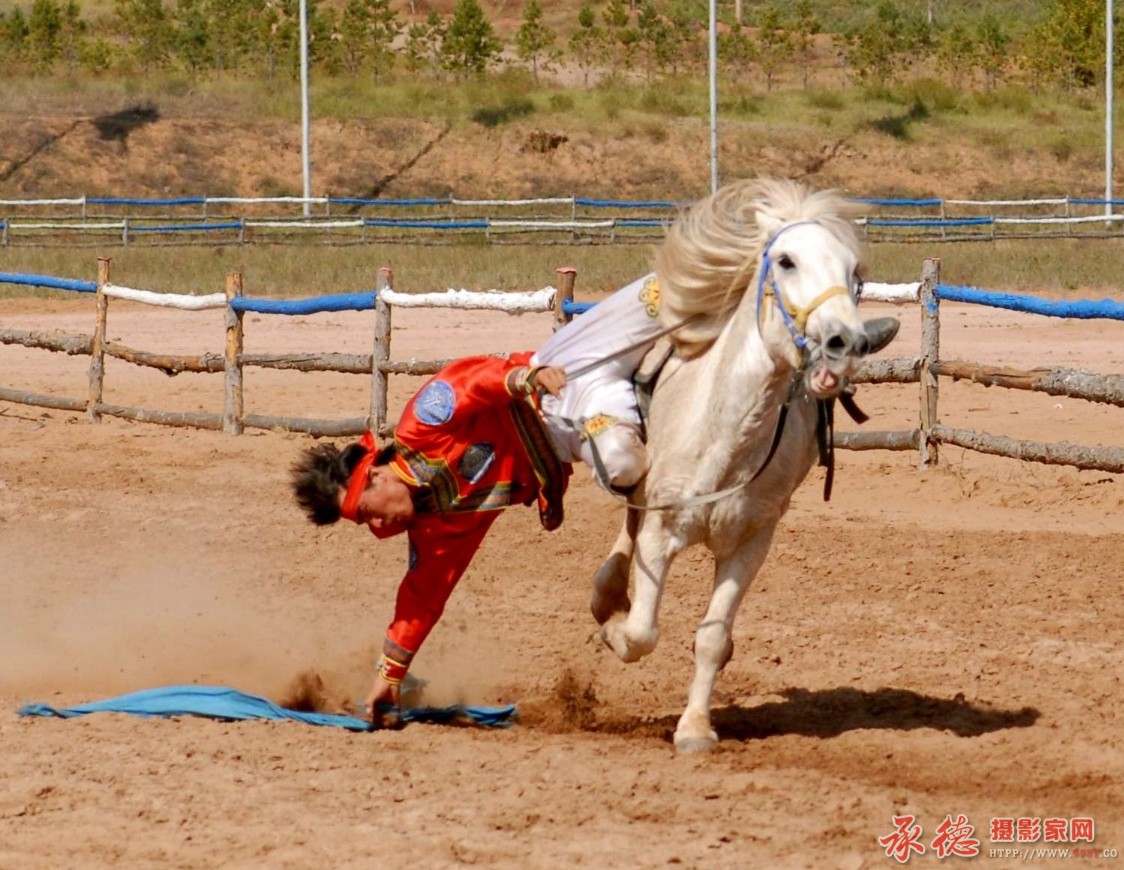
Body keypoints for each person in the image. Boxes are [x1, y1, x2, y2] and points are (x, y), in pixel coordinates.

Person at [290, 277, 666, 726]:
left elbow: (467, 381)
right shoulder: (435, 527)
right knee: (623, 464)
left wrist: (525, 377)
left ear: (372, 475)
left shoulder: (420, 428)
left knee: (663, 293)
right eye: (365, 523)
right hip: (575, 426)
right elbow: (420, 599)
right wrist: (388, 677)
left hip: (559, 373)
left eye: (369, 512)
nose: (378, 525)